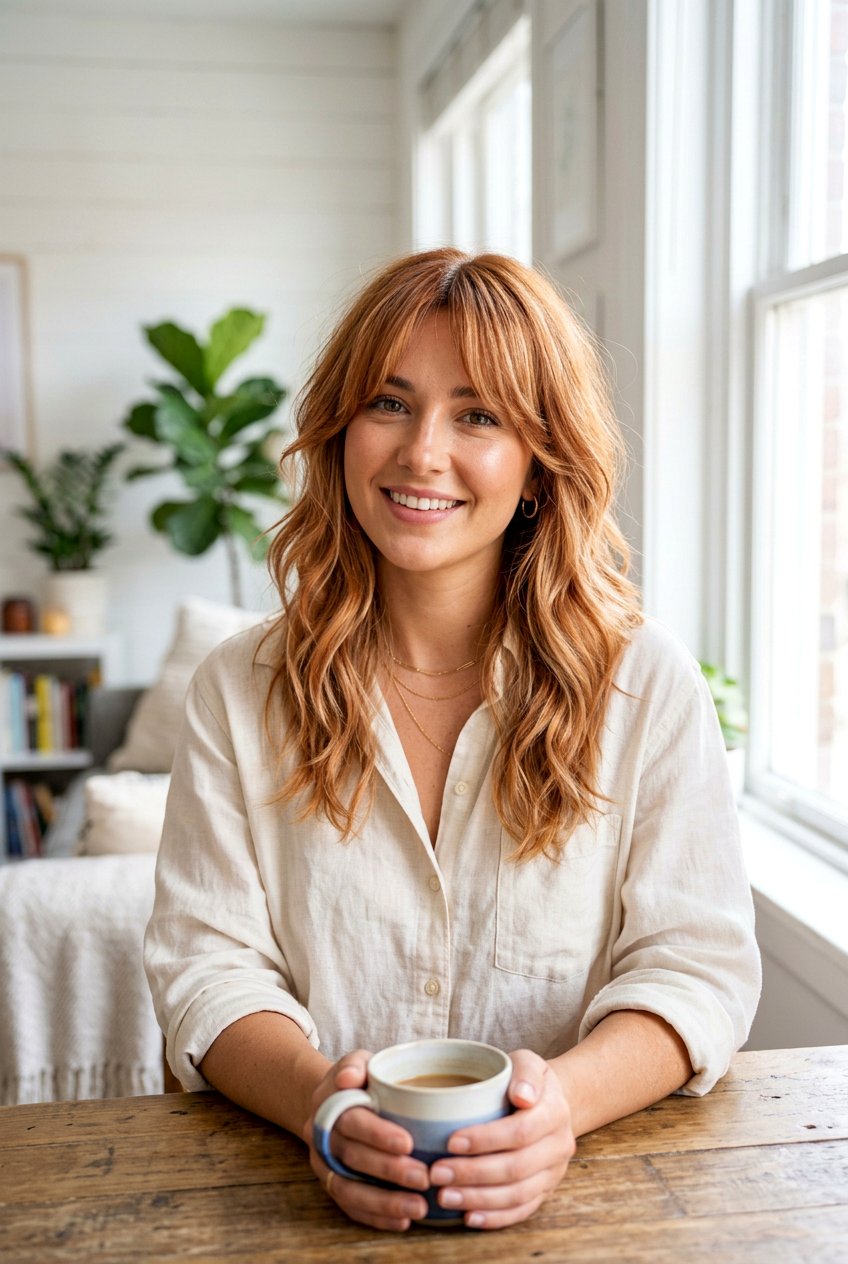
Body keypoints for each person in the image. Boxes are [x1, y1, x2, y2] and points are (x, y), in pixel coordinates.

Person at [144, 248, 761, 1233]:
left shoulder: (643, 684)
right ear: (339, 432)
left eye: (476, 415)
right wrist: (323, 1106)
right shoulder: (238, 689)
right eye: (388, 403)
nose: (421, 451)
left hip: (590, 1215)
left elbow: (695, 967)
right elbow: (206, 966)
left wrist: (558, 1110)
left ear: (536, 461)